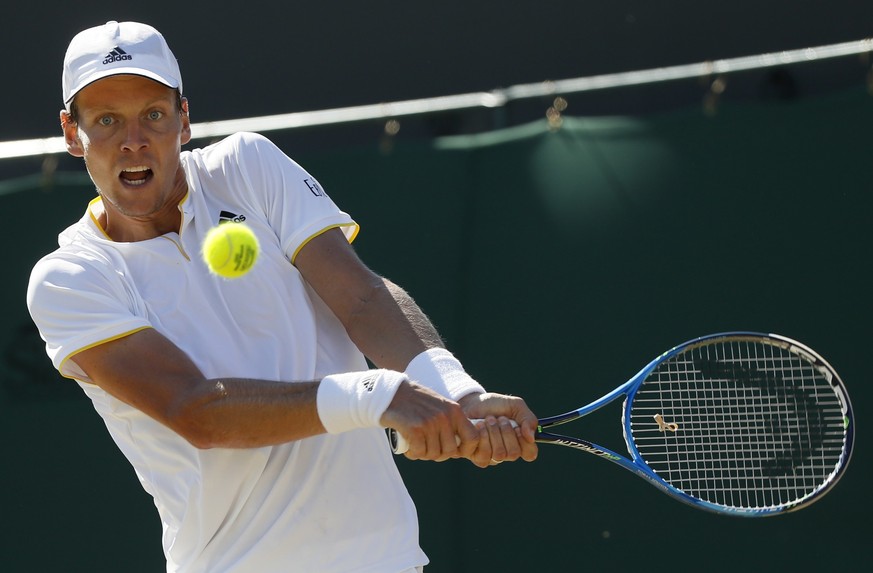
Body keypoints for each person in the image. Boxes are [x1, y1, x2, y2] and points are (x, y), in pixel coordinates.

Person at [26, 20, 538, 573]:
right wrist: (379, 395)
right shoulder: (69, 280)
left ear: (184, 120)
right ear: (71, 134)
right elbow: (197, 410)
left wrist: (454, 391)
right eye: (106, 121)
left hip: (384, 559)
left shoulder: (248, 166)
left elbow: (360, 296)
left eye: (153, 114)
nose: (134, 140)